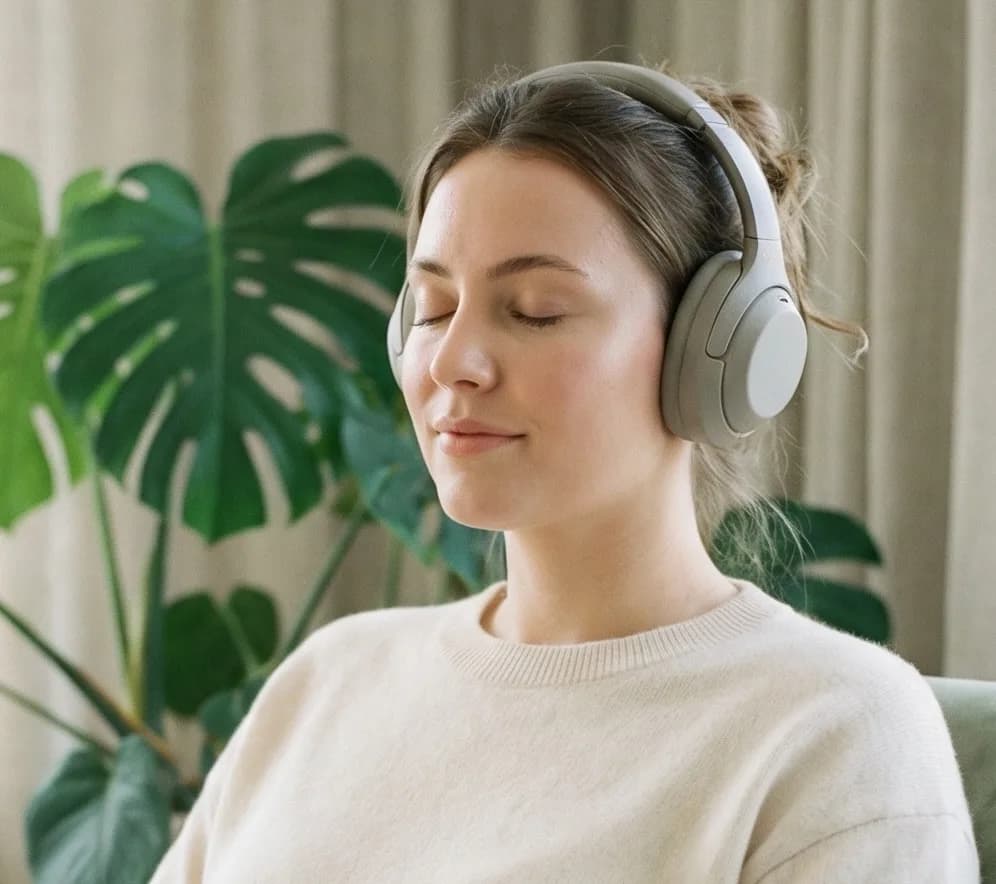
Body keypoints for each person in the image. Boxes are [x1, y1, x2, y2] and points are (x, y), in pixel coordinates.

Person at [150, 60, 979, 882]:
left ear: (714, 349)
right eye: (434, 309)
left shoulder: (836, 733)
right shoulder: (327, 682)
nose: (454, 362)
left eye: (536, 311)